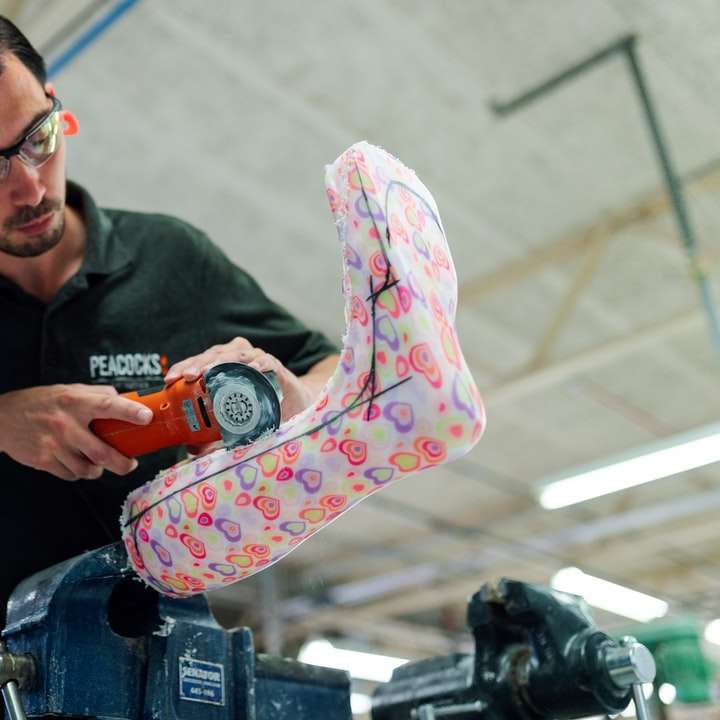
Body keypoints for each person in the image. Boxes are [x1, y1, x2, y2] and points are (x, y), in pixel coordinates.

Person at [0, 17, 339, 628]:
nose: (29, 187)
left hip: (161, 656)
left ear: (55, 107)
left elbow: (333, 364)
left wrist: (297, 395)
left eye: (37, 138)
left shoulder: (171, 256)